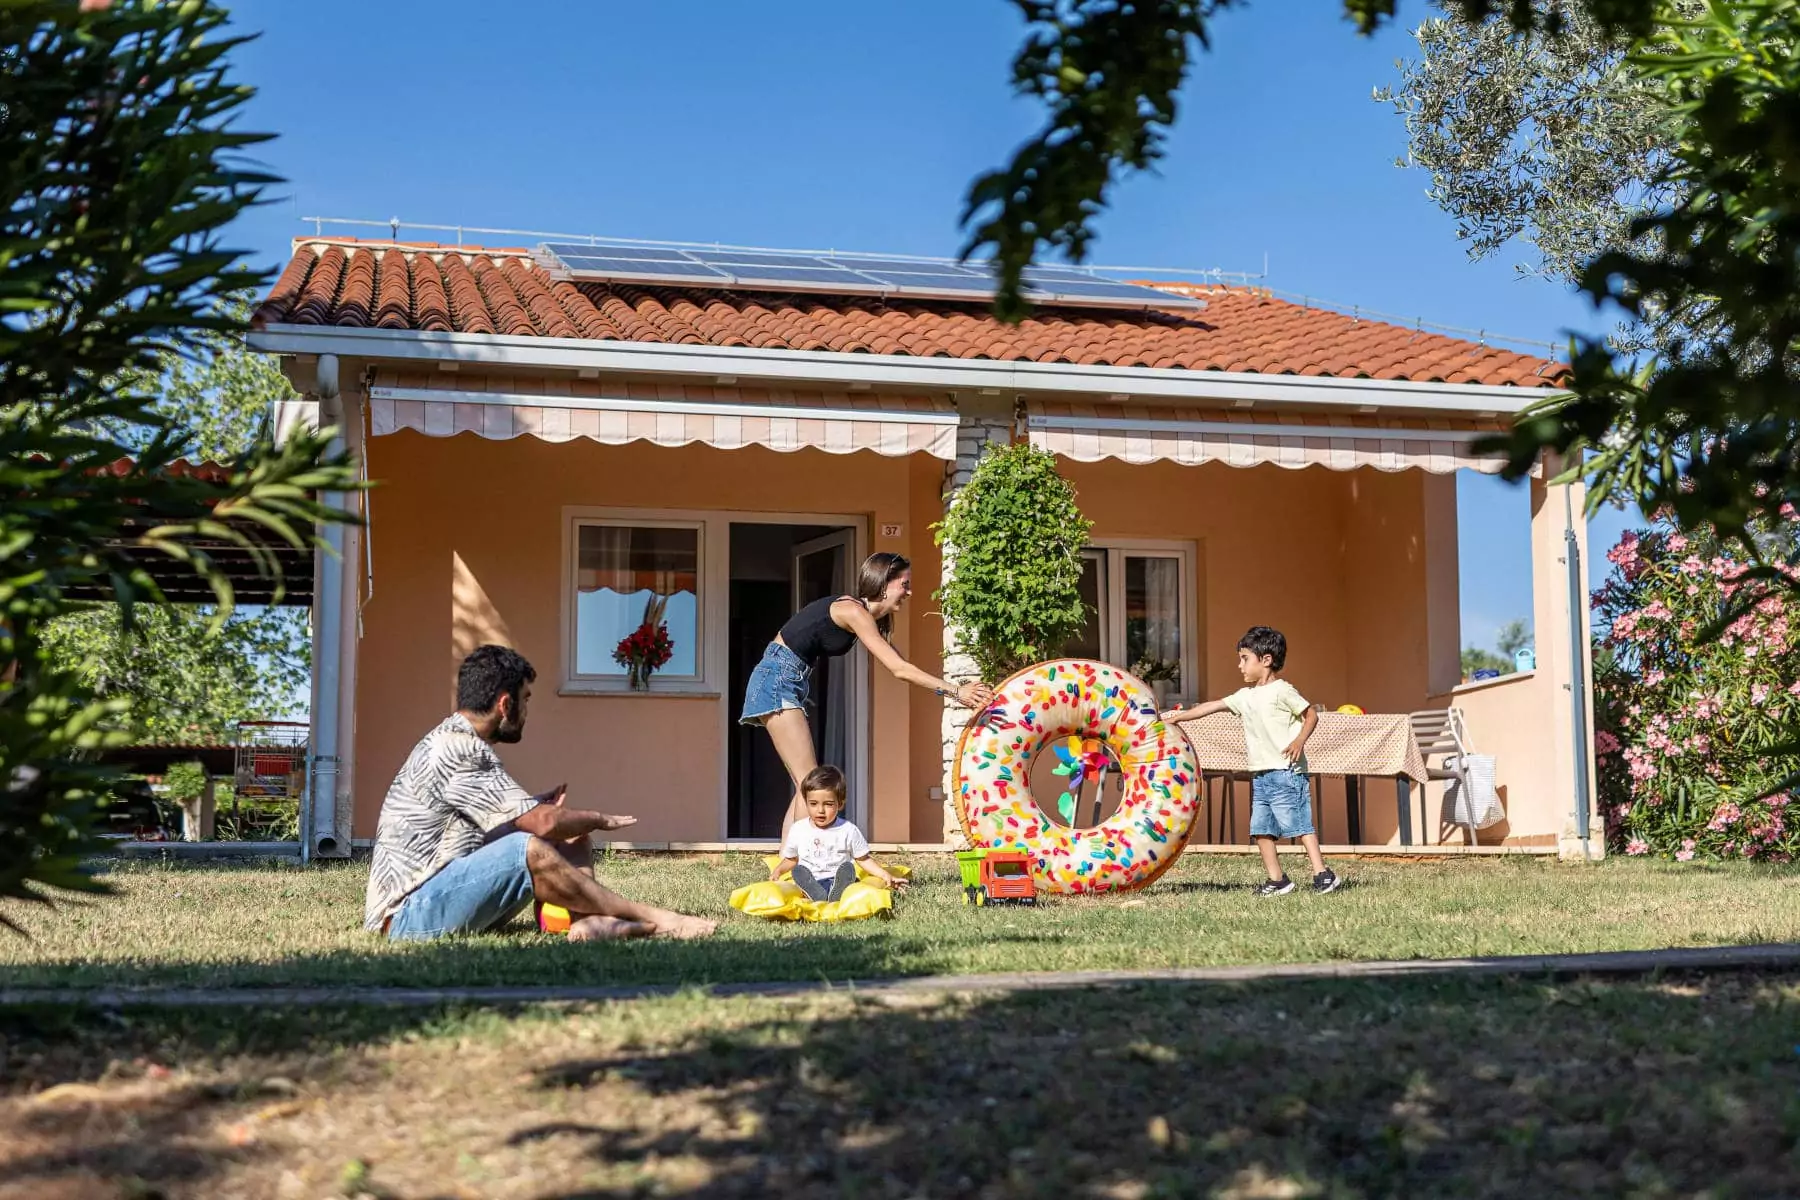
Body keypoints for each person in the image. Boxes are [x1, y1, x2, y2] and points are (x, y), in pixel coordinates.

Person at [364, 644, 718, 941]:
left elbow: (513, 827)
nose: (527, 711)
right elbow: (544, 824)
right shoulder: (459, 748)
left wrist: (555, 819)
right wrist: (599, 819)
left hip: (436, 898)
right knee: (530, 845)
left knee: (568, 836)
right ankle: (657, 920)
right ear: (505, 705)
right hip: (405, 920)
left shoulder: (458, 741)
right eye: (526, 699)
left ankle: (584, 923)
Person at [740, 551, 994, 840]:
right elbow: (899, 670)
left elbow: (902, 666)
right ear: (884, 583)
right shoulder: (853, 611)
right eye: (904, 584)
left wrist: (951, 691)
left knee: (805, 782)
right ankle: (804, 862)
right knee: (810, 782)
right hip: (777, 679)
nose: (909, 592)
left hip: (788, 681)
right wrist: (957, 691)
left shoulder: (868, 618)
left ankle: (789, 862)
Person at [1163, 626, 1342, 896]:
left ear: (1266, 660)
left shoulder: (1283, 691)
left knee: (1300, 824)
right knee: (1261, 828)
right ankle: (1278, 880)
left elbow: (1311, 715)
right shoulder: (1244, 697)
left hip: (1286, 771)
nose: (1239, 665)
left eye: (1244, 658)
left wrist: (1298, 742)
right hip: (1260, 774)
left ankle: (1323, 874)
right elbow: (1210, 706)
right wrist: (1177, 717)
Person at [769, 764, 906, 900]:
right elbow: (791, 859)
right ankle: (814, 892)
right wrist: (778, 871)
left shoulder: (848, 830)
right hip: (813, 879)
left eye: (828, 804)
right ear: (806, 802)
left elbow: (863, 859)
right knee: (800, 880)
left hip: (838, 878)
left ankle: (837, 890)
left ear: (840, 804)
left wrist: (884, 875)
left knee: (851, 882)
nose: (820, 810)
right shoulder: (798, 829)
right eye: (813, 804)